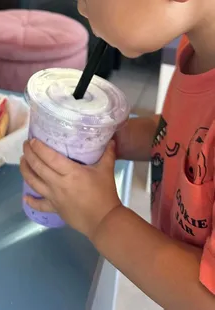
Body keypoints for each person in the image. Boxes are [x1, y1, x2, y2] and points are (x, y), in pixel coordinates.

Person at [20, 0, 215, 308]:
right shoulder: (199, 49)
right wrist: (109, 140)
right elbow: (179, 130)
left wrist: (103, 218)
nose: (82, 8)